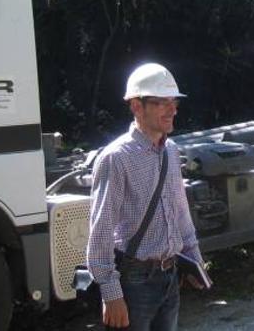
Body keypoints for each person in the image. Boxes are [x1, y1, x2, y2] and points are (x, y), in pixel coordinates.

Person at [86, 62, 205, 330]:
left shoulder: (171, 151)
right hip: (134, 281)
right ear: (136, 106)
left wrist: (194, 258)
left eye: (174, 102)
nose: (172, 109)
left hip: (170, 276)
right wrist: (111, 293)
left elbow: (180, 212)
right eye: (161, 102)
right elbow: (101, 230)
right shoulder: (115, 158)